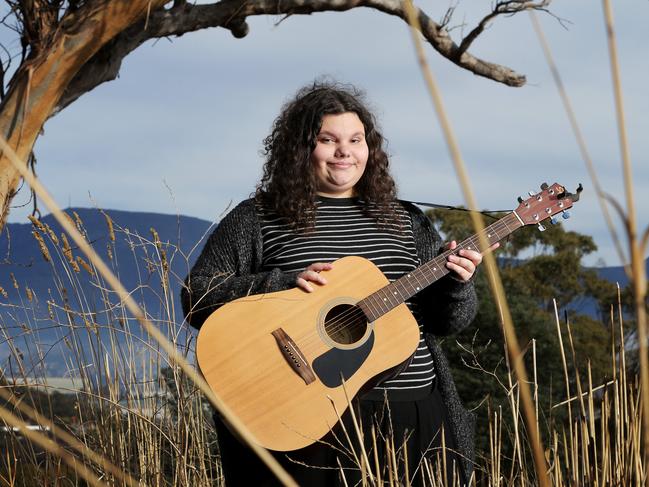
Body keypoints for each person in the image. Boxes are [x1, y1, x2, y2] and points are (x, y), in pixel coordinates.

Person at [181, 81, 491, 486]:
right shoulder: (257, 218)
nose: (345, 151)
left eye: (356, 139)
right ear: (299, 149)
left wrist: (456, 285)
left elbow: (448, 322)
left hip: (413, 410)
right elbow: (198, 294)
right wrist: (280, 283)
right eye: (328, 139)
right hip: (305, 416)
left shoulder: (405, 221)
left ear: (370, 148)